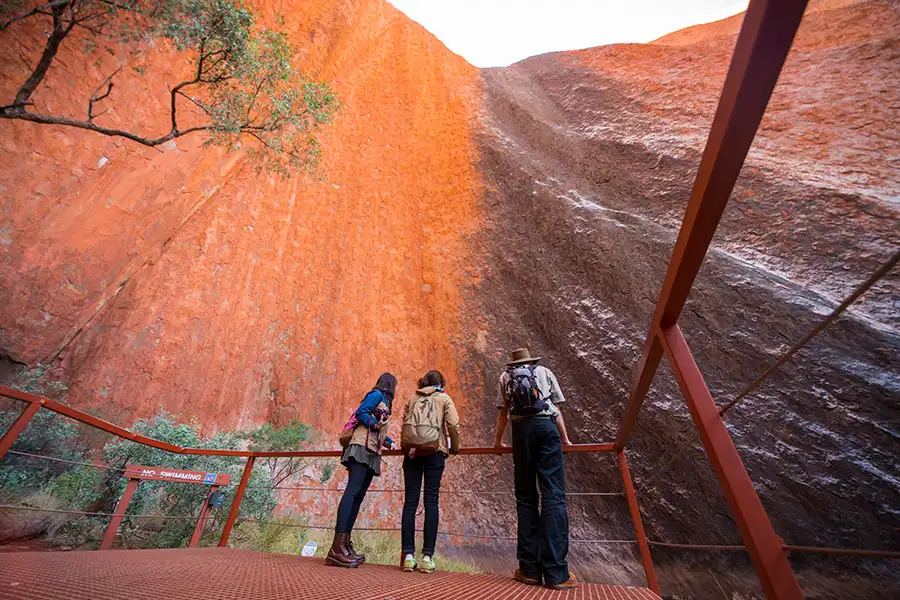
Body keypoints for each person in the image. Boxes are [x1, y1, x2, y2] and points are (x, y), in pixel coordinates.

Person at [493, 348, 577, 590]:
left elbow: (503, 414)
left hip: (521, 432)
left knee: (526, 497)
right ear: (530, 361)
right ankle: (557, 573)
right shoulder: (544, 372)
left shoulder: (506, 377)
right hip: (546, 428)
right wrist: (565, 439)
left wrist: (498, 442)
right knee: (553, 496)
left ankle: (529, 569)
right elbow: (555, 408)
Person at [326, 372, 397, 568]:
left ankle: (344, 545)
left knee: (357, 497)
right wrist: (375, 424)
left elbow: (377, 427)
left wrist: (388, 442)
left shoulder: (384, 402)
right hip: (360, 448)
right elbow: (361, 413)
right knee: (352, 492)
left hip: (372, 450)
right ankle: (336, 549)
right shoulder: (376, 395)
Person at [399, 370, 461, 573]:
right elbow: (453, 424)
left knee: (410, 502)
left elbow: (404, 423)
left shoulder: (412, 397)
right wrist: (455, 447)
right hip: (435, 452)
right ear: (440, 383)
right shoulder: (444, 398)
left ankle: (408, 556)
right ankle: (427, 557)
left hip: (412, 453)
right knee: (431, 501)